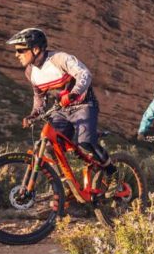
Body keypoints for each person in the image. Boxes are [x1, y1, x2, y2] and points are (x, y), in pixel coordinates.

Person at [6, 27, 117, 185]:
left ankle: (113, 175)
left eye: (20, 50)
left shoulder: (59, 59)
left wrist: (74, 93)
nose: (16, 54)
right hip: (61, 110)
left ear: (35, 49)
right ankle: (64, 185)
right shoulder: (30, 72)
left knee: (85, 143)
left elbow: (84, 74)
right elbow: (39, 96)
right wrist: (34, 113)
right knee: (49, 146)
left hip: (84, 104)